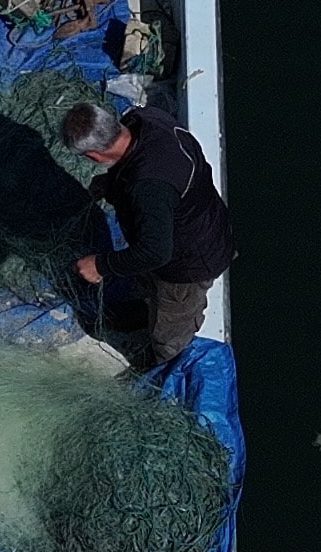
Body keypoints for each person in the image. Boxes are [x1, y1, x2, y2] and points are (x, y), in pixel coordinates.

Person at [60, 100, 235, 373]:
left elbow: (155, 252)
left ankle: (164, 366)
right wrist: (111, 183)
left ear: (93, 156)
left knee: (169, 331)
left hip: (187, 264)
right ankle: (145, 311)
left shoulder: (149, 189)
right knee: (147, 282)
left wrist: (100, 266)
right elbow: (139, 164)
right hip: (196, 219)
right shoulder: (145, 118)